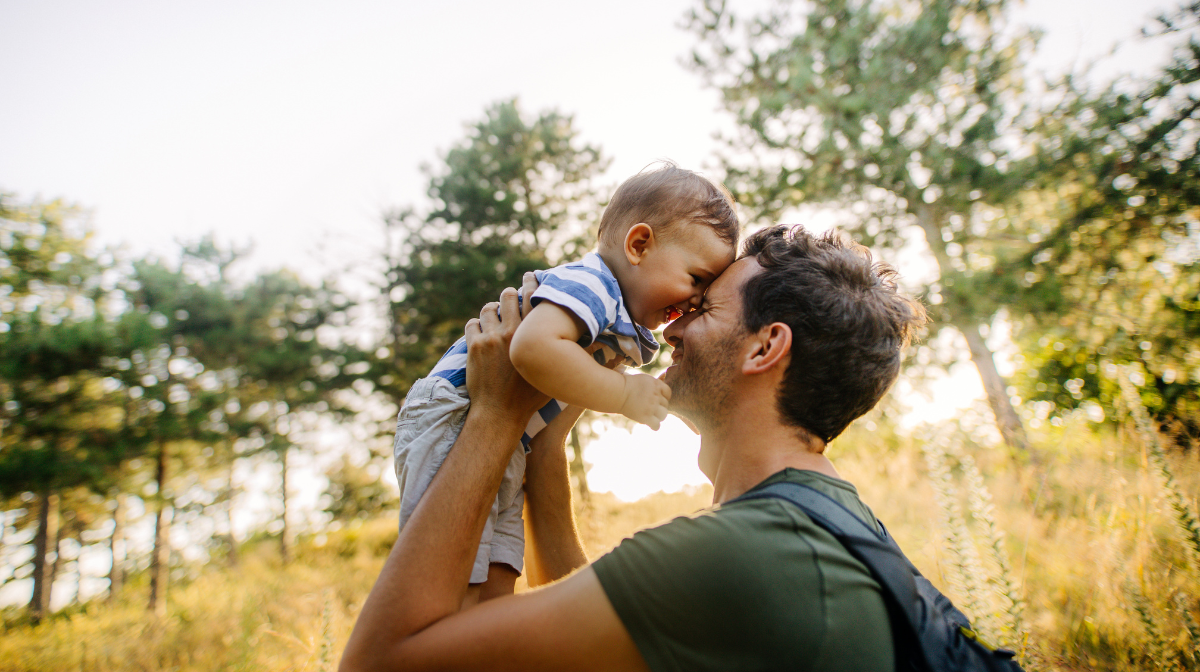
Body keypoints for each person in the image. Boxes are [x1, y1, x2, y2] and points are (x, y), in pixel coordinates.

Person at [342, 224, 926, 672]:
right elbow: (591, 628)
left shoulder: (737, 555)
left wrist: (493, 416)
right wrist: (543, 443)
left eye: (701, 308)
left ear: (764, 348)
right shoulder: (836, 527)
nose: (669, 329)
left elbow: (380, 663)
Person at [392, 163, 739, 605]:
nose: (695, 300)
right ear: (639, 245)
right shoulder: (591, 284)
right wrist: (624, 393)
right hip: (455, 413)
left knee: (498, 576)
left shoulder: (617, 319)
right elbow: (532, 348)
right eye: (696, 279)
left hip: (510, 436)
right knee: (449, 578)